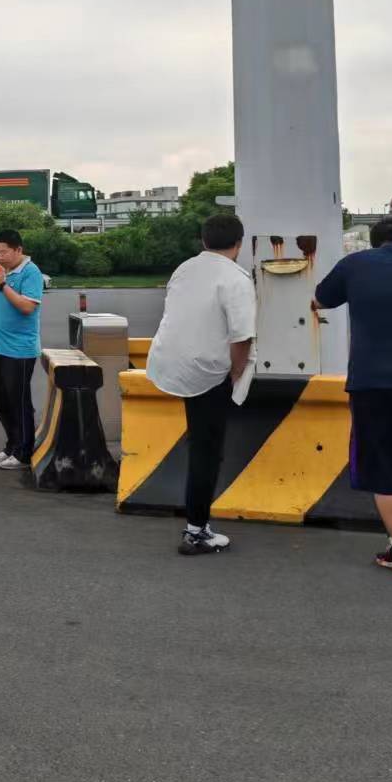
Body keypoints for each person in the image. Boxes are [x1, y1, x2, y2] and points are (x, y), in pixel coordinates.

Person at [313, 214, 392, 575]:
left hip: (373, 385)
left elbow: (319, 300)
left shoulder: (355, 264)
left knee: (388, 468)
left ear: (374, 243)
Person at [146, 213, 255, 556]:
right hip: (208, 371)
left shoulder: (184, 269)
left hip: (171, 362)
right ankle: (196, 531)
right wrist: (236, 372)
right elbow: (242, 336)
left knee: (200, 443)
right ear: (239, 243)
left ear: (203, 241)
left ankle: (198, 523)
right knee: (207, 450)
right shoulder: (236, 279)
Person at [0, 229, 45, 474]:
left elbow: (26, 307)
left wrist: (2, 283)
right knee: (1, 403)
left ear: (18, 250)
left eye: (4, 252)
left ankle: (24, 452)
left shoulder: (30, 272)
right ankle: (12, 445)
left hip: (20, 350)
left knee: (19, 402)